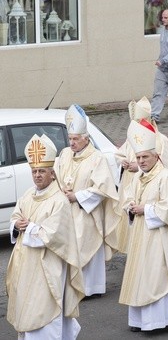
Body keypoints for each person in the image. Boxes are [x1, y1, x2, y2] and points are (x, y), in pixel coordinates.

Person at [119, 119, 168, 332]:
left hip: (160, 238)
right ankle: (141, 320)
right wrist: (131, 207)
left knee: (158, 275)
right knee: (141, 275)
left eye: (145, 157)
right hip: (140, 237)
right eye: (138, 157)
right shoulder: (137, 177)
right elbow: (126, 199)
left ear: (156, 156)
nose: (141, 161)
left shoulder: (165, 177)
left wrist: (147, 210)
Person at [6, 134, 84, 339]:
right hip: (25, 266)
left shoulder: (59, 201)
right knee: (27, 307)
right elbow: (15, 215)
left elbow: (54, 235)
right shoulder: (27, 195)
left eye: (42, 171)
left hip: (47, 267)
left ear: (52, 173)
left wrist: (29, 227)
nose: (37, 175)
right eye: (34, 171)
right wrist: (16, 225)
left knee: (46, 309)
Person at [54, 104, 120, 297]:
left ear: (86, 139)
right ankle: (74, 288)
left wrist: (77, 196)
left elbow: (103, 189)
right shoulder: (64, 155)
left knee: (89, 249)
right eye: (70, 139)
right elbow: (56, 177)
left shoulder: (97, 158)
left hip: (87, 213)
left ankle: (92, 289)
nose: (72, 143)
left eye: (75, 139)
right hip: (67, 212)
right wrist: (61, 192)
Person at [115, 96, 168, 254]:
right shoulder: (133, 137)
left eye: (141, 121)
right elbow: (120, 154)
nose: (138, 125)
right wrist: (123, 163)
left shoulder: (161, 140)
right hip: (133, 184)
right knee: (135, 222)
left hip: (155, 189)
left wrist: (137, 167)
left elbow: (162, 165)